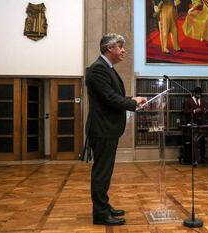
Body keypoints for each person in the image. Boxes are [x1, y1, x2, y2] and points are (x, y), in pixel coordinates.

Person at [85, 33, 147, 225]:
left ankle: (104, 206)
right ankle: (100, 214)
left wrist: (131, 100)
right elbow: (110, 98)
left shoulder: (106, 68)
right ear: (110, 48)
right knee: (101, 173)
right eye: (120, 47)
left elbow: (111, 95)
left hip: (108, 129)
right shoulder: (98, 69)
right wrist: (132, 102)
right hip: (102, 129)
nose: (123, 50)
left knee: (105, 172)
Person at [183, 86, 207, 163]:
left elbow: (205, 109)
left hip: (201, 124)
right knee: (194, 142)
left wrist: (204, 110)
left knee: (202, 141)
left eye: (200, 94)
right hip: (192, 124)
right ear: (194, 93)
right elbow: (185, 111)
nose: (198, 95)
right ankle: (194, 159)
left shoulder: (203, 101)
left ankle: (202, 157)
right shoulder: (188, 101)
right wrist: (194, 111)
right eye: (197, 94)